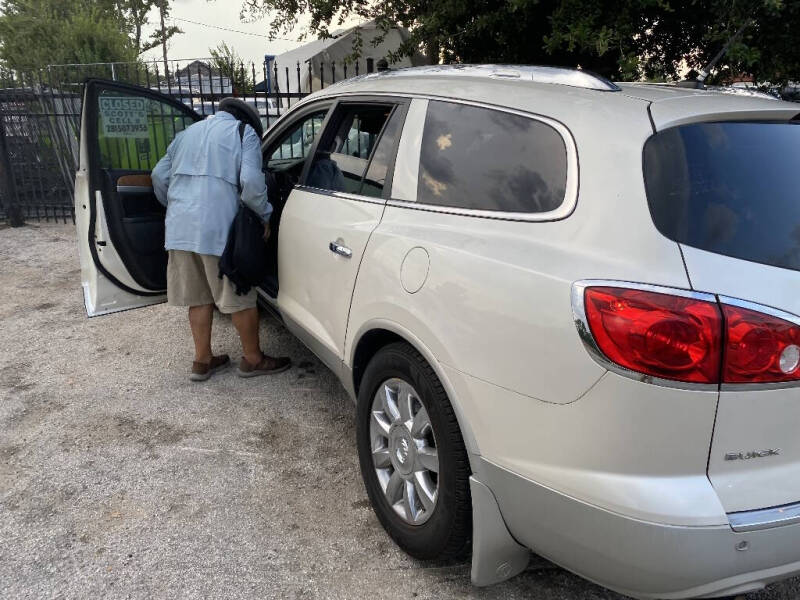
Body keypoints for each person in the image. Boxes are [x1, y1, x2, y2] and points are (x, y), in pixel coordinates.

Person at [152, 97, 291, 382]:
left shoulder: (185, 135)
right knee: (237, 294)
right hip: (218, 229)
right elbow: (252, 184)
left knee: (198, 296)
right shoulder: (244, 133)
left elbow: (158, 176)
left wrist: (178, 205)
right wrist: (264, 215)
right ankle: (253, 359)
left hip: (179, 228)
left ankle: (202, 361)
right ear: (248, 121)